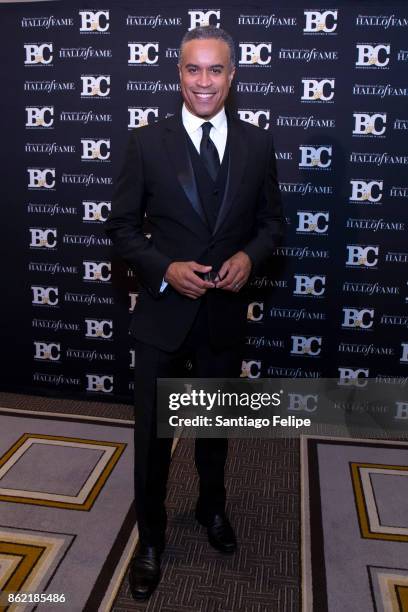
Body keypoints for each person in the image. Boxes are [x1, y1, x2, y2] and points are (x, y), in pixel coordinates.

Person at [105, 25, 284, 600]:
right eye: (192, 69)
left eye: (215, 69)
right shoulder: (145, 142)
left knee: (214, 432)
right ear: (177, 73)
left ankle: (212, 510)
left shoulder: (257, 143)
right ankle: (150, 539)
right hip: (162, 317)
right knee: (153, 438)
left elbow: (272, 222)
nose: (203, 81)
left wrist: (247, 258)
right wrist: (164, 268)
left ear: (233, 75)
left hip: (223, 317)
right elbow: (122, 228)